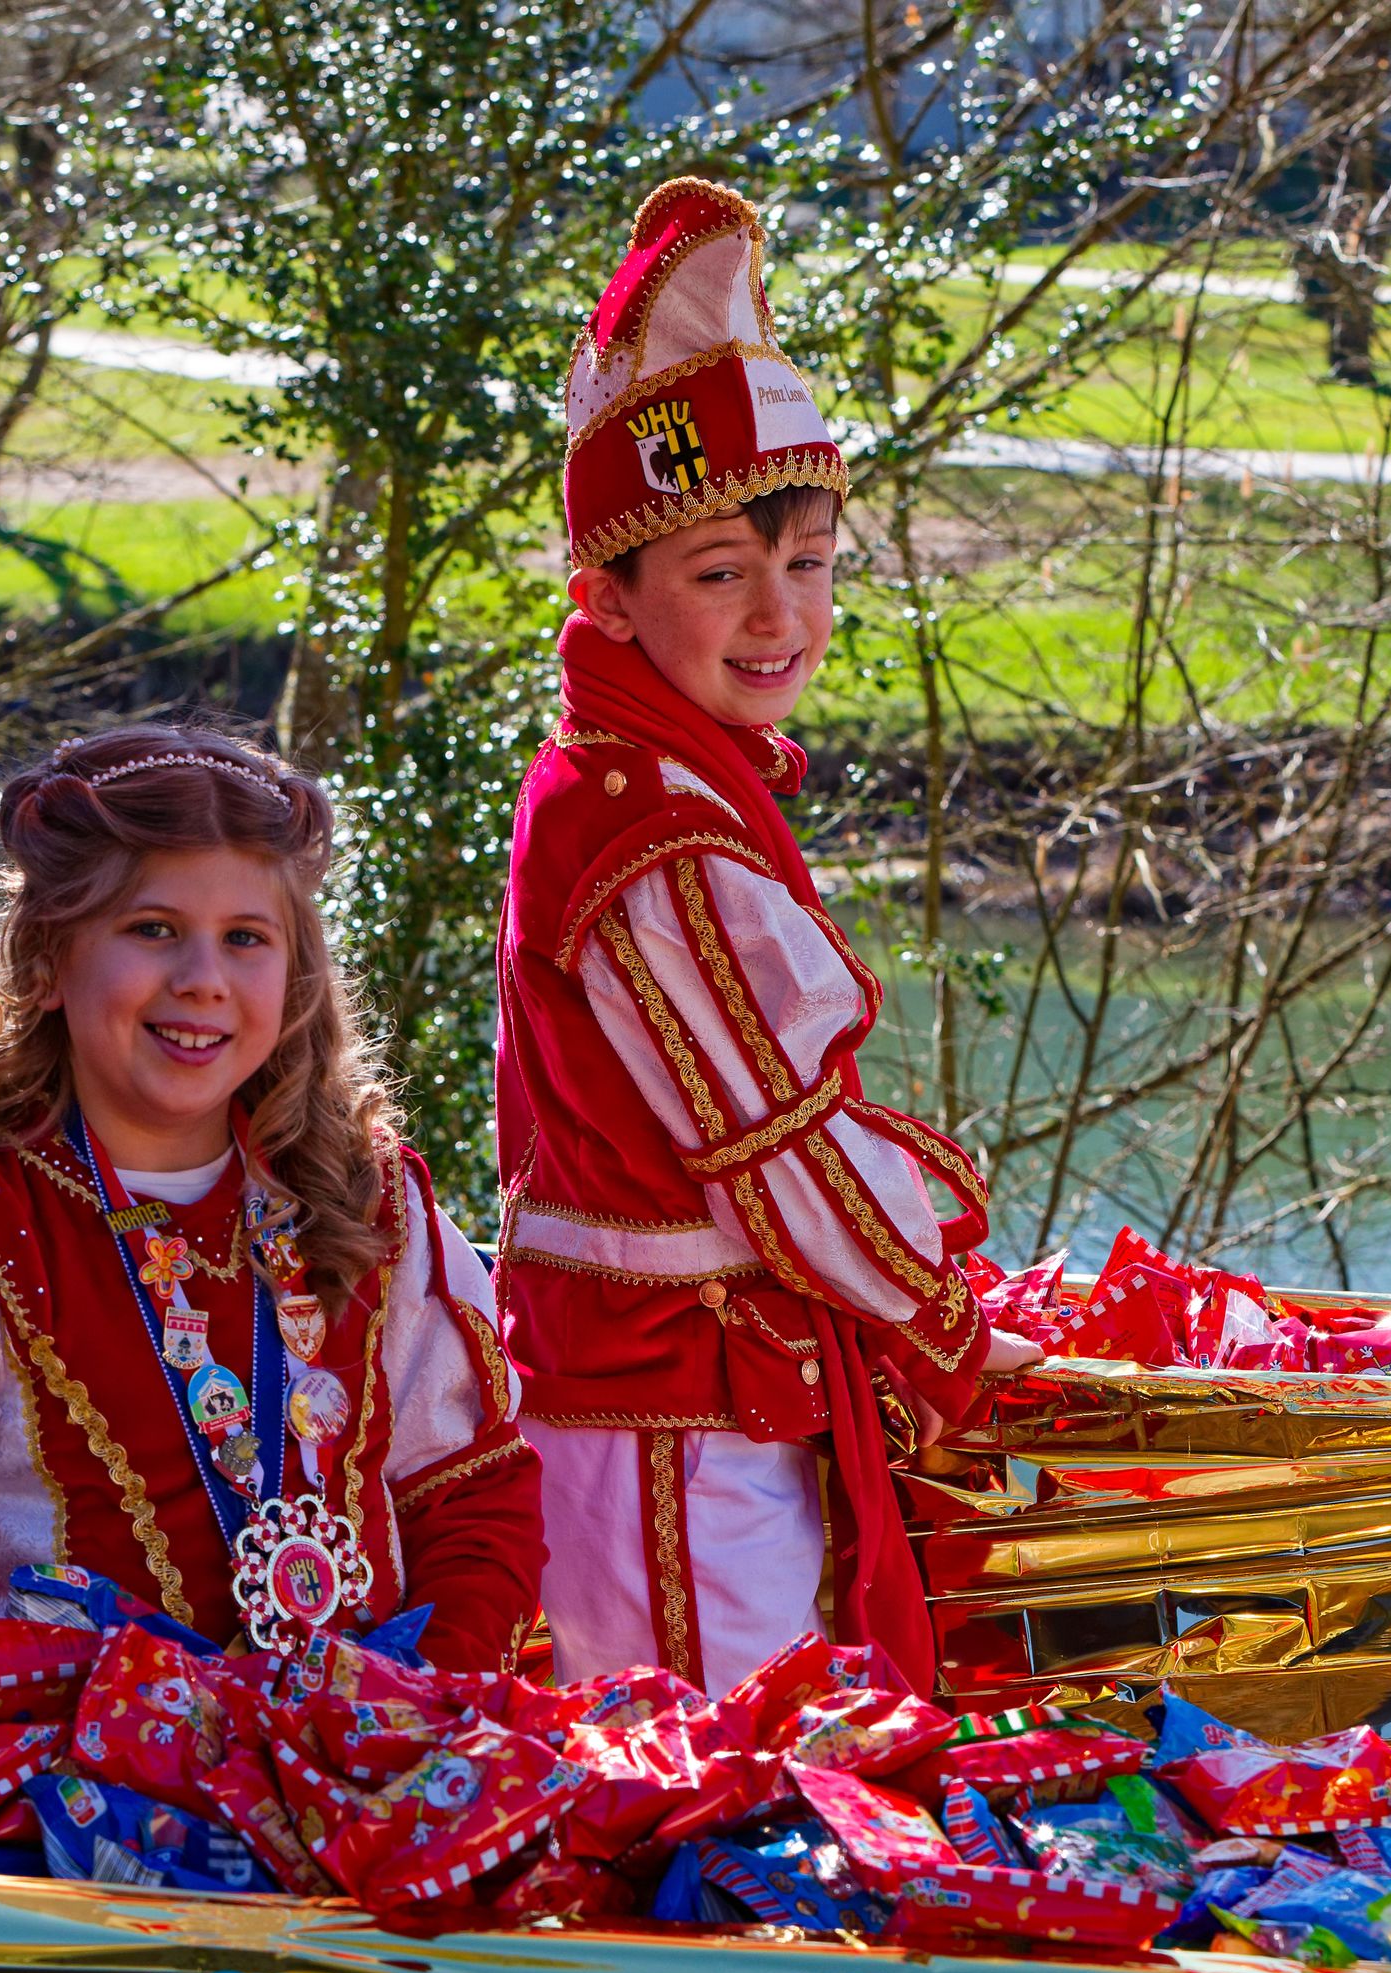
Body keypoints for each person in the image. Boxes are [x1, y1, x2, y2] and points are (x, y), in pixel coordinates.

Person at [494, 177, 1042, 1697]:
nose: (777, 619)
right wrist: (939, 1315)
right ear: (605, 596)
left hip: (690, 1402)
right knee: (708, 1786)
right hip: (674, 1420)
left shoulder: (656, 786)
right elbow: (783, 1153)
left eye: (803, 568)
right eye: (720, 574)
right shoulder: (650, 828)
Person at [0, 725, 544, 1671]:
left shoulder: (369, 1200)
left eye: (245, 939)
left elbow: (468, 1499)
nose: (202, 981)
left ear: (295, 976)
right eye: (153, 930)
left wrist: (418, 1707)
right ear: (46, 961)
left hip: (377, 1763)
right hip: (76, 1788)